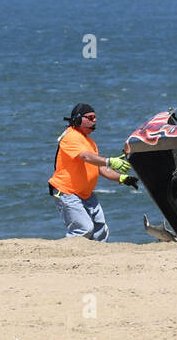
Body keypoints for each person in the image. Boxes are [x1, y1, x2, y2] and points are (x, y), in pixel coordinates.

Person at [48, 103, 138, 241]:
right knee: (83, 229)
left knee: (100, 231)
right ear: (78, 119)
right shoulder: (70, 137)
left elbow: (100, 168)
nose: (94, 120)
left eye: (95, 117)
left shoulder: (89, 142)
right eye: (90, 117)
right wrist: (110, 161)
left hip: (86, 194)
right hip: (67, 192)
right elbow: (85, 156)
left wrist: (122, 178)